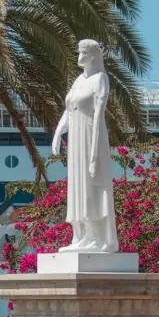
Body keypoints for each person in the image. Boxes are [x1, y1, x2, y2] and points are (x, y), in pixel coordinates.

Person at [51, 39, 118, 252]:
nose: (78, 55)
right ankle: (79, 234)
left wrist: (94, 155)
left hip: (91, 136)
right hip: (76, 141)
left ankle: (95, 237)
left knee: (91, 185)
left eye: (82, 52)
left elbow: (99, 116)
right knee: (77, 186)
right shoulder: (79, 80)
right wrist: (58, 133)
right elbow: (69, 109)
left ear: (92, 55)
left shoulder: (101, 79)